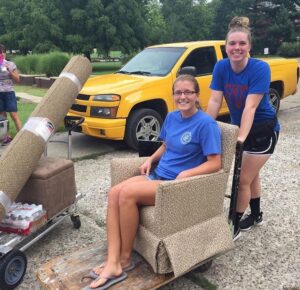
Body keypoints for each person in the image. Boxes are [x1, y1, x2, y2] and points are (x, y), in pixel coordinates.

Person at [84, 74, 222, 290]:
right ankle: (114, 260)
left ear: (197, 95)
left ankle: (123, 260)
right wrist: (150, 159)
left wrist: (188, 174)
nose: (183, 96)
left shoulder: (206, 124)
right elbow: (166, 145)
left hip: (175, 186)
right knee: (114, 193)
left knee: (127, 194)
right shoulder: (172, 117)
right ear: (173, 95)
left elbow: (215, 163)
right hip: (157, 175)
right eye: (178, 92)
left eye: (188, 92)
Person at [206, 16, 280, 239]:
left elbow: (250, 107)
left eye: (242, 43)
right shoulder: (221, 67)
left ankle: (233, 225)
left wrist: (240, 139)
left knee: (242, 180)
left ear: (249, 46)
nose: (236, 48)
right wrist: (205, 130)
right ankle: (256, 215)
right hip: (241, 128)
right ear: (225, 46)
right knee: (252, 175)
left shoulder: (259, 69)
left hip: (262, 130)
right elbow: (214, 102)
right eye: (232, 44)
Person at [0, 44, 22, 146]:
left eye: (3, 52)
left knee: (14, 115)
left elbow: (17, 79)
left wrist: (9, 71)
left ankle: (22, 137)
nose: (2, 54)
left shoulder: (10, 64)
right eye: (0, 53)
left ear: (5, 53)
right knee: (2, 116)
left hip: (9, 93)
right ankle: (6, 137)